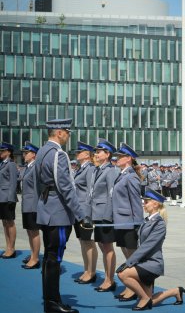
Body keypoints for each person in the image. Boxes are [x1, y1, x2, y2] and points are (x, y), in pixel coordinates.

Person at [35, 118, 93, 313]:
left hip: (46, 210)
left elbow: (38, 183)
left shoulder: (42, 151)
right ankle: (52, 303)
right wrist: (81, 215)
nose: (68, 136)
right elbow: (65, 187)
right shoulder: (58, 153)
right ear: (59, 132)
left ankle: (51, 299)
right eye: (67, 132)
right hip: (58, 213)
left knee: (49, 257)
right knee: (54, 258)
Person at [116, 188, 185, 311]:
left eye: (146, 202)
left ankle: (144, 298)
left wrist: (129, 262)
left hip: (152, 264)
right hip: (143, 263)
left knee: (123, 274)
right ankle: (176, 291)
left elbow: (146, 246)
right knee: (152, 302)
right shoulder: (148, 220)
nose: (144, 204)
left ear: (155, 204)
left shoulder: (159, 224)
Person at [112, 143, 144, 302]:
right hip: (121, 221)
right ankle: (130, 286)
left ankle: (135, 288)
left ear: (128, 158)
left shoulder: (131, 176)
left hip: (129, 222)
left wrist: (138, 224)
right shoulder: (122, 174)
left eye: (120, 157)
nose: (116, 159)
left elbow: (136, 202)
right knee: (127, 255)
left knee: (132, 257)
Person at [88, 138, 118, 292]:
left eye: (99, 152)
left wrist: (107, 216)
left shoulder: (110, 170)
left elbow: (111, 194)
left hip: (104, 216)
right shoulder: (98, 170)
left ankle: (109, 279)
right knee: (102, 246)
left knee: (107, 247)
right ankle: (107, 277)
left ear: (107, 154)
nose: (96, 154)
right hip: (97, 214)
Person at [73, 141, 97, 284]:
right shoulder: (80, 168)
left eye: (79, 152)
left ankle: (91, 272)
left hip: (85, 212)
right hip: (78, 210)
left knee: (88, 242)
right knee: (83, 242)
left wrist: (87, 214)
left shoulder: (89, 169)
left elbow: (90, 192)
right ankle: (86, 270)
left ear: (87, 155)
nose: (76, 154)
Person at [20, 141, 41, 269]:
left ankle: (35, 258)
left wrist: (36, 205)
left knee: (34, 231)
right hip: (26, 204)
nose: (24, 155)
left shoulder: (35, 167)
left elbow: (37, 188)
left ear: (33, 154)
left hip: (32, 204)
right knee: (29, 231)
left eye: (27, 153)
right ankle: (33, 253)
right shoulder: (28, 167)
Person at [0, 141, 18, 259]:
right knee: (4, 223)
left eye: (3, 151)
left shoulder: (10, 164)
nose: (0, 153)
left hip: (7, 198)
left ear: (8, 152)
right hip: (1, 197)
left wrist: (11, 199)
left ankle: (12, 248)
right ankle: (8, 247)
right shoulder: (2, 164)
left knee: (10, 223)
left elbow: (13, 182)